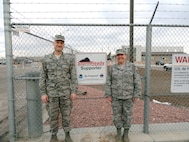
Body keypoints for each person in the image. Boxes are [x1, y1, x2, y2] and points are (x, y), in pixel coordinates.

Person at [39, 34, 78, 142]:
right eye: (57, 42)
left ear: (63, 45)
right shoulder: (46, 59)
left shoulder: (69, 59)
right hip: (52, 94)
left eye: (61, 43)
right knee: (53, 116)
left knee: (66, 115)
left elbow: (73, 77)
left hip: (66, 93)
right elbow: (42, 77)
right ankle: (53, 135)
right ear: (53, 43)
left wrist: (74, 91)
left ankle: (67, 134)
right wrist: (43, 93)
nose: (59, 44)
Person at [105, 49, 141, 142]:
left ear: (125, 56)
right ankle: (118, 133)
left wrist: (136, 94)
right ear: (116, 57)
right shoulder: (112, 68)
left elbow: (137, 81)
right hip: (115, 97)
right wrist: (108, 94)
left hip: (128, 96)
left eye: (122, 55)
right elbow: (108, 82)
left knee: (128, 115)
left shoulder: (132, 67)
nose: (120, 57)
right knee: (116, 116)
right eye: (118, 55)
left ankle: (125, 134)